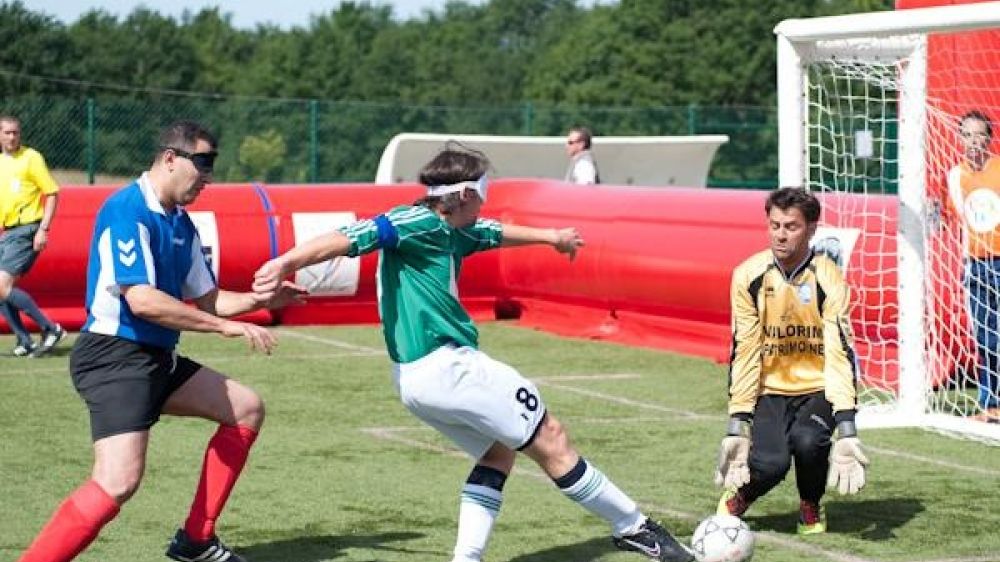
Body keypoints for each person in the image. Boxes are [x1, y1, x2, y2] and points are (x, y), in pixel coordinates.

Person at [252, 145, 694, 562]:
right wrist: (284, 262)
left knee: (499, 453)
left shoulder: (451, 227)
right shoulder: (416, 223)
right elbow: (352, 235)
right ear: (464, 193)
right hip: (448, 368)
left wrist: (552, 236)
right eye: (483, 192)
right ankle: (634, 526)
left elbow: (495, 232)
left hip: (414, 382)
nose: (485, 202)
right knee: (552, 438)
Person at [16, 120, 303, 562]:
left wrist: (260, 299)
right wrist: (222, 328)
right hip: (113, 358)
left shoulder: (182, 224)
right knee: (117, 483)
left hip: (155, 358)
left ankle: (195, 541)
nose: (208, 177)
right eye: (202, 164)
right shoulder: (126, 209)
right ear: (170, 158)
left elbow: (209, 300)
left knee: (246, 408)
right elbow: (143, 301)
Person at [715, 187, 869, 535]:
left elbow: (839, 351)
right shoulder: (748, 275)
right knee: (770, 464)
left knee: (808, 441)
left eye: (791, 226)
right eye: (775, 225)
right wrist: (737, 422)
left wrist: (846, 426)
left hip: (818, 387)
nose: (780, 234)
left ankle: (810, 506)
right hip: (770, 388)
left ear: (812, 228)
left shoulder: (828, 277)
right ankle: (743, 495)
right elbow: (745, 349)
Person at [946, 110, 1000, 421]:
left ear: (989, 139)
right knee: (985, 336)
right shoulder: (954, 176)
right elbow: (948, 216)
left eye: (980, 134)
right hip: (977, 266)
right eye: (967, 134)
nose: (973, 141)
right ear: (959, 138)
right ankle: (988, 402)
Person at [0, 115, 66, 357]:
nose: (12, 137)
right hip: (8, 232)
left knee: (2, 286)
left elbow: (51, 193)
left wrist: (43, 229)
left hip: (27, 229)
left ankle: (51, 329)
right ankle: (24, 340)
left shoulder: (31, 158)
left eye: (15, 132)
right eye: (7, 133)